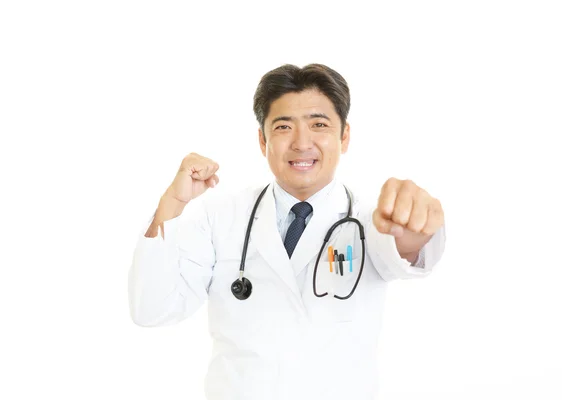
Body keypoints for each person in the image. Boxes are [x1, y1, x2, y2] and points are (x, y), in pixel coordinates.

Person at [128, 63, 446, 400]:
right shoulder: (220, 216)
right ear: (263, 141)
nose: (301, 142)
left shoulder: (370, 219)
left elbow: (405, 250)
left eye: (319, 124)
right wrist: (172, 204)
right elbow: (151, 309)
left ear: (345, 137)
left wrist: (414, 227)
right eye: (283, 127)